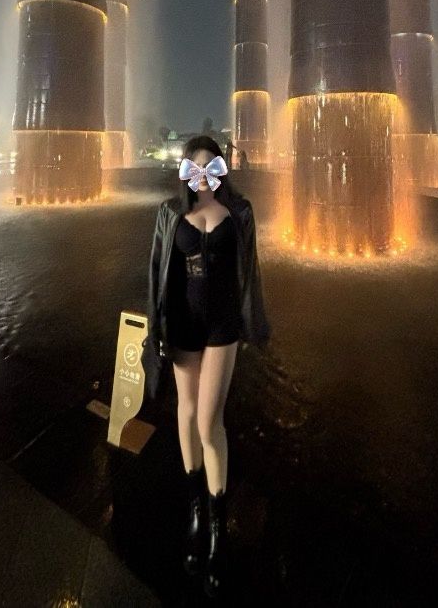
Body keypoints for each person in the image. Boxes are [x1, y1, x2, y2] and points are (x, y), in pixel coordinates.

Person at [145, 134, 271, 597]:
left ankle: (218, 523)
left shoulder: (240, 212)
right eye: (194, 168)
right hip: (182, 323)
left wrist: (255, 322)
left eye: (210, 166)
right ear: (184, 171)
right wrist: (155, 328)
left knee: (208, 420)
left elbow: (251, 271)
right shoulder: (168, 213)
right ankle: (196, 507)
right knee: (186, 410)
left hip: (222, 324)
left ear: (221, 168)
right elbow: (156, 272)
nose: (202, 176)